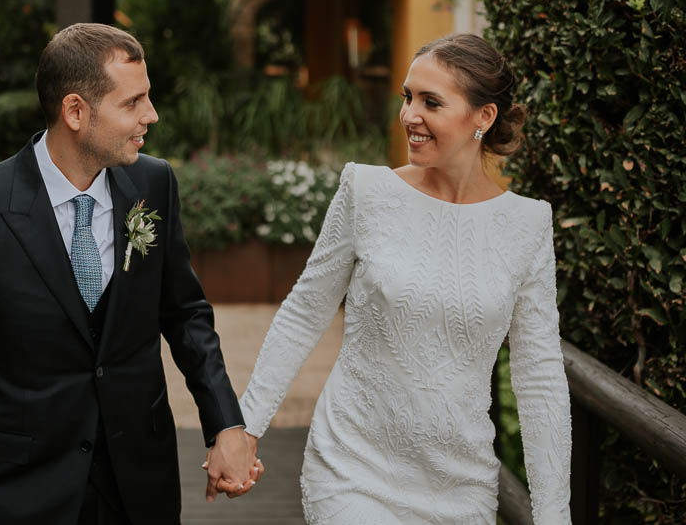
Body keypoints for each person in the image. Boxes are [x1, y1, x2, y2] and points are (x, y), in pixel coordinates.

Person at [0, 23, 261, 525]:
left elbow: (185, 315)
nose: (150, 116)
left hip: (138, 486)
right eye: (132, 102)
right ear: (75, 111)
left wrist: (226, 424)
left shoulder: (153, 185)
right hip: (19, 495)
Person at [238, 33, 572, 524]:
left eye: (431, 102)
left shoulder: (527, 226)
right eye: (408, 97)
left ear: (484, 117)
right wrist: (244, 428)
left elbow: (539, 377)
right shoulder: (366, 191)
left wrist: (553, 515)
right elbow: (305, 311)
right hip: (352, 470)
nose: (410, 115)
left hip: (463, 485)